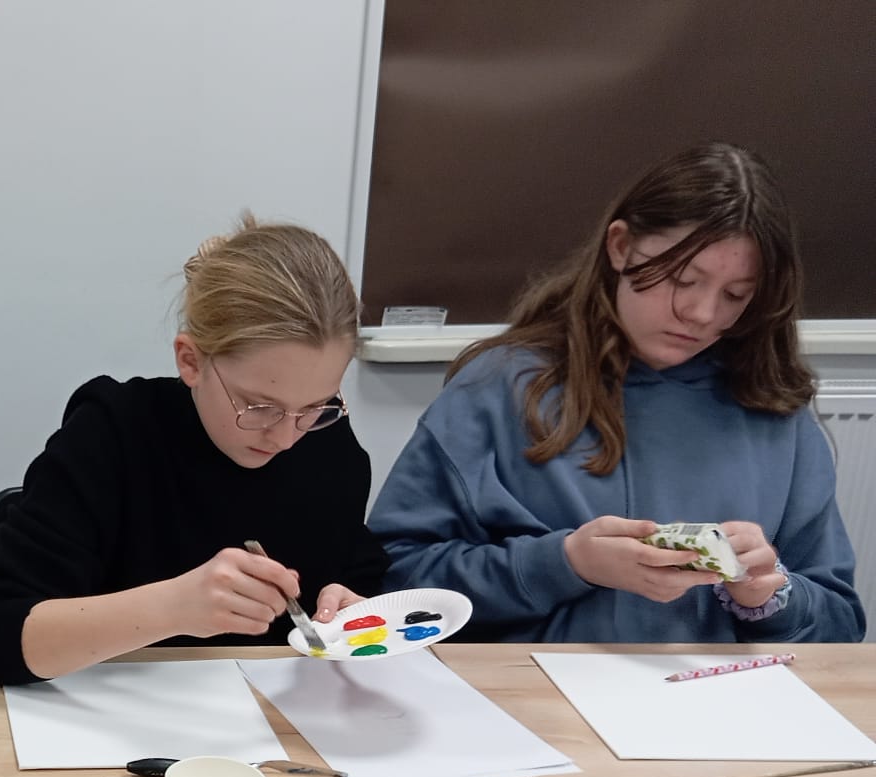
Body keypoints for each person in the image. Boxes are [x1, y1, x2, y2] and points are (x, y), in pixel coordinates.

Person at [369, 143, 862, 642]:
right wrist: (564, 564)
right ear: (620, 247)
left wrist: (771, 596)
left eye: (736, 295)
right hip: (529, 687)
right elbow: (393, 580)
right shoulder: (498, 389)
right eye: (682, 279)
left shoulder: (774, 409)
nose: (703, 314)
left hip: (711, 689)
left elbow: (840, 623)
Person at [0, 216, 385, 686]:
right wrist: (172, 608)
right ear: (190, 361)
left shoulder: (330, 445)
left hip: (275, 715)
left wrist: (353, 606)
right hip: (118, 712)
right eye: (259, 407)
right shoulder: (113, 434)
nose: (286, 437)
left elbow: (360, 572)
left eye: (314, 406)